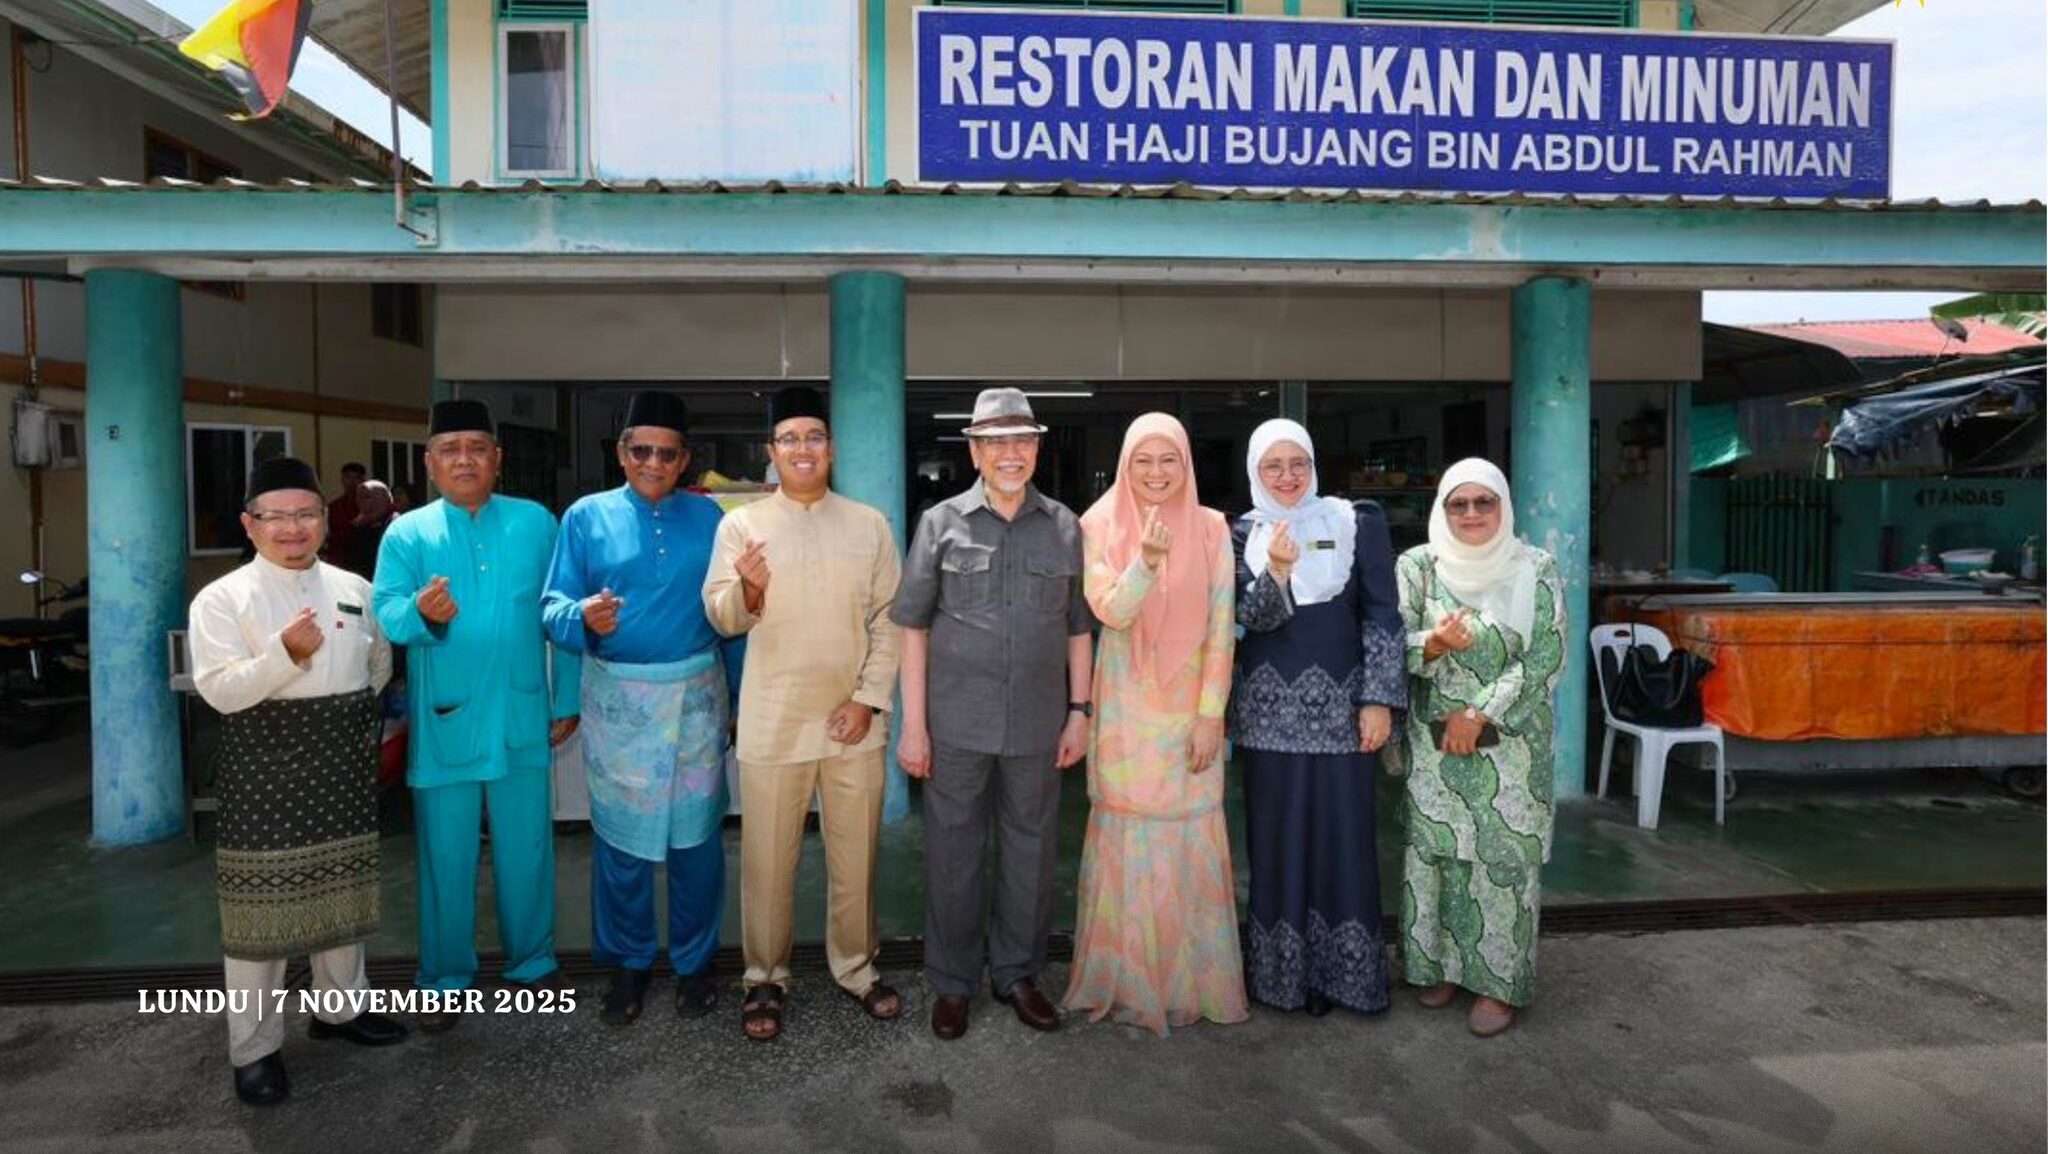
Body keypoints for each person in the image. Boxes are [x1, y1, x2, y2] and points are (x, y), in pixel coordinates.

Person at [187, 456, 408, 1106]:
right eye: (276, 517)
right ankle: (254, 1049)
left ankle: (341, 1009)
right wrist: (285, 656)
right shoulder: (222, 599)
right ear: (249, 524)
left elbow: (378, 664)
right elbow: (220, 691)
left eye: (306, 514)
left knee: (342, 894)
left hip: (339, 765)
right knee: (259, 915)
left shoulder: (352, 585)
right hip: (265, 771)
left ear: (325, 519)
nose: (293, 528)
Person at [372, 400, 581, 1033]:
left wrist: (566, 697)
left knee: (528, 848)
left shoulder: (535, 522)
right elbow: (387, 613)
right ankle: (443, 981)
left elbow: (560, 610)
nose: (464, 459)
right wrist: (422, 612)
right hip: (447, 720)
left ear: (498, 459)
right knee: (445, 856)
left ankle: (533, 964)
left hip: (523, 712)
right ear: (430, 463)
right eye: (450, 449)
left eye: (477, 448)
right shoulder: (407, 534)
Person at [892, 388, 1093, 1041]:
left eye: (1022, 441)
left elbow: (1078, 629)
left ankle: (1018, 975)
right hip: (956, 723)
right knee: (953, 853)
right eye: (997, 442)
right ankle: (953, 982)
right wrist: (913, 726)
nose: (1011, 454)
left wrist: (1080, 711)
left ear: (1036, 450)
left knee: (1031, 851)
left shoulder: (1064, 526)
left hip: (1038, 723)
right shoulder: (940, 523)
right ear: (975, 451)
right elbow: (913, 627)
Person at [703, 385, 902, 1042]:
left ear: (832, 448)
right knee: (767, 863)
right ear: (771, 450)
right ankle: (764, 976)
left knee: (856, 859)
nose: (802, 449)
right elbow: (721, 615)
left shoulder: (869, 524)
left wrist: (868, 700)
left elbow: (890, 620)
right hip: (774, 720)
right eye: (788, 438)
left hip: (853, 722)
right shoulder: (741, 526)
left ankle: (857, 967)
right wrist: (748, 589)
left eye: (814, 436)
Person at [543, 391, 742, 1027]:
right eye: (642, 451)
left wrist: (741, 698)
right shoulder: (585, 517)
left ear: (684, 461)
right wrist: (581, 616)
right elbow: (552, 606)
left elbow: (734, 614)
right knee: (623, 846)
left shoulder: (711, 519)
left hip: (698, 698)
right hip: (620, 705)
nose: (654, 463)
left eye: (667, 453)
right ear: (622, 454)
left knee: (696, 842)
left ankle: (694, 962)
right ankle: (628, 964)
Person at [1062, 412, 1246, 1035]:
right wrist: (1145, 561)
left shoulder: (1213, 528)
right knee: (1127, 834)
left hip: (1189, 712)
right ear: (1125, 464)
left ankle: (1192, 983)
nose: (1157, 472)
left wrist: (1210, 717)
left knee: (1189, 835)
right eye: (1143, 460)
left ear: (1186, 463)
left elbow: (1221, 628)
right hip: (1125, 713)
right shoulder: (1096, 524)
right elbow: (1111, 611)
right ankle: (1127, 981)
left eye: (1169, 459)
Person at [1230, 418, 1407, 1017]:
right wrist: (1278, 570)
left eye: (1297, 464)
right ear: (1256, 472)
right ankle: (1282, 979)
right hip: (1268, 718)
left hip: (1343, 712)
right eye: (1272, 466)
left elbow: (1382, 613)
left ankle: (1345, 978)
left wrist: (1378, 698)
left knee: (1343, 839)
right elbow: (1253, 620)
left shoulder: (1355, 521)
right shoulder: (1242, 533)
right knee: (1277, 840)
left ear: (1313, 465)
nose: (1287, 477)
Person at [1392, 458, 1567, 1038]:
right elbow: (1392, 645)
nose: (1471, 514)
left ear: (1502, 506)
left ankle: (1497, 985)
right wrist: (1434, 644)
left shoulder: (1535, 568)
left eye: (1483, 502)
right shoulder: (1417, 566)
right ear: (1442, 510)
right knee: (1436, 855)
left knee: (1502, 861)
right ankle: (1437, 968)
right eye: (1458, 504)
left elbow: (1546, 655)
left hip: (1511, 743)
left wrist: (1479, 713)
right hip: (1435, 742)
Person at [322, 461, 366, 566]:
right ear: (342, 479)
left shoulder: (370, 506)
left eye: (357, 478)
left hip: (364, 560)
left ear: (363, 481)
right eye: (348, 477)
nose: (352, 482)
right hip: (339, 560)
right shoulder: (333, 508)